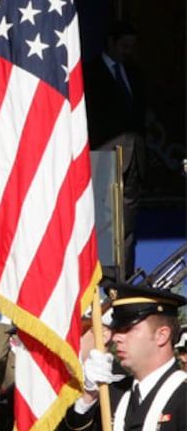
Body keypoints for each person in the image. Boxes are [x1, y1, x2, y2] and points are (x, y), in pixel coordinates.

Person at [57, 282, 187, 431]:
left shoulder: (182, 397)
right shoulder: (115, 396)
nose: (116, 337)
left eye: (128, 328)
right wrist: (89, 395)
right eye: (117, 329)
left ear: (161, 335)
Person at [83, 20, 147, 280]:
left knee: (128, 218)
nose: (127, 51)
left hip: (134, 155)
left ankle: (124, 273)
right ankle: (106, 276)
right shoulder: (90, 73)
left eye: (131, 46)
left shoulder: (133, 73)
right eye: (123, 45)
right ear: (110, 42)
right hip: (104, 154)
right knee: (106, 217)